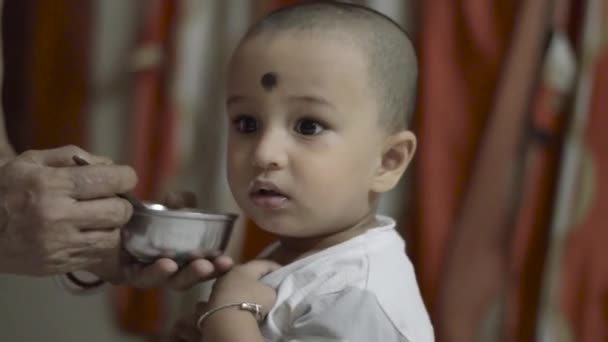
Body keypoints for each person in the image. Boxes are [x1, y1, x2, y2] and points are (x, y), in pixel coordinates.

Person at [171, 2, 434, 341]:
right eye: (246, 123)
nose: (264, 153)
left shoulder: (358, 298)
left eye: (308, 126)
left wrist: (227, 315)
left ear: (388, 161)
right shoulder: (301, 254)